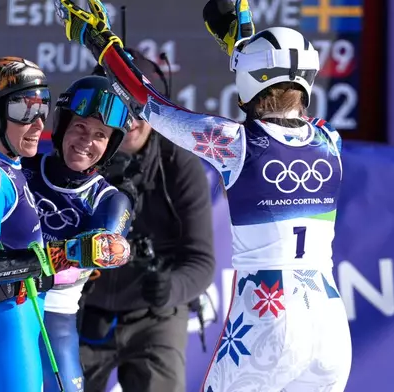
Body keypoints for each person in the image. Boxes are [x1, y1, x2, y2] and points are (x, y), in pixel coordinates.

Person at [55, 1, 353, 391]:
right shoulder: (329, 139)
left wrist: (98, 41)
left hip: (270, 317)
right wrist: (241, 40)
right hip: (330, 324)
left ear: (249, 83)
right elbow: (273, 92)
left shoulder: (235, 145)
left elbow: (147, 103)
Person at [0, 74, 134, 392]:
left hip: (51, 322)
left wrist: (44, 260)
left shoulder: (110, 200)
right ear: (61, 127)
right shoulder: (18, 168)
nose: (87, 141)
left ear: (110, 146)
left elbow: (88, 263)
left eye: (100, 135)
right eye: (80, 127)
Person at [76, 47, 216, 392]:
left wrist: (172, 288)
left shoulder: (179, 164)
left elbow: (201, 260)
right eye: (124, 109)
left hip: (155, 316)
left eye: (144, 108)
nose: (135, 120)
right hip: (81, 312)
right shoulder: (75, 157)